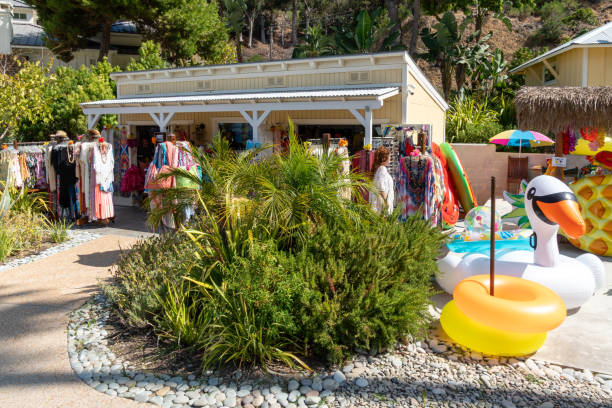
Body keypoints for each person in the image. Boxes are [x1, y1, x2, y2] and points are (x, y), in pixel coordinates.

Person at [370, 146, 394, 215]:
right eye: (389, 156)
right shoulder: (382, 169)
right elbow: (381, 189)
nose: (390, 158)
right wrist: (386, 203)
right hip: (382, 205)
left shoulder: (379, 169)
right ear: (384, 158)